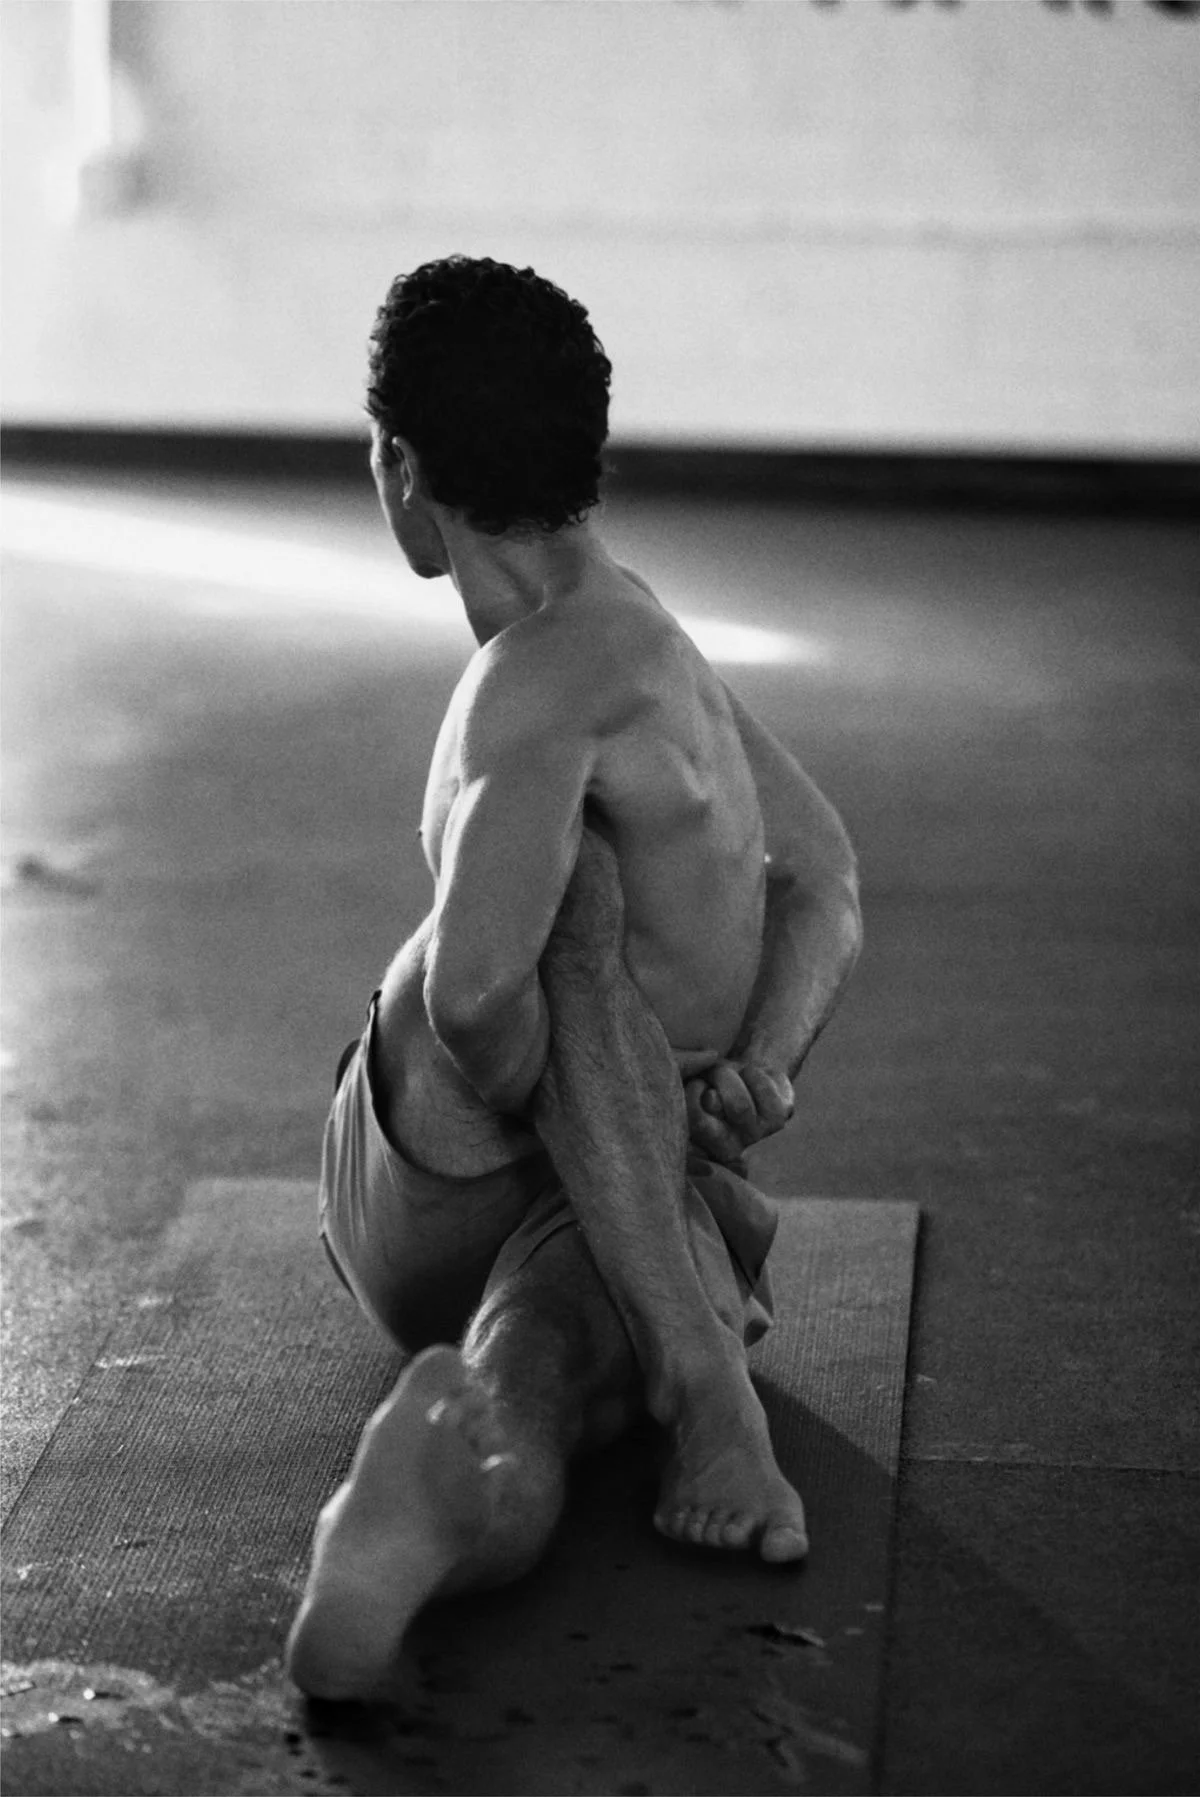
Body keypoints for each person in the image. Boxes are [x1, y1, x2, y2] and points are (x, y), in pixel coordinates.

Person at [286, 256, 861, 1701]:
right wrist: (739, 1079)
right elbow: (824, 882)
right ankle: (703, 1388)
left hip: (432, 1186)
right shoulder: (638, 638)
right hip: (548, 1172)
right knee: (574, 888)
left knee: (525, 1376)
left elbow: (476, 1002)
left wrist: (626, 1137)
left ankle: (433, 1518)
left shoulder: (539, 682)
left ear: (400, 469)